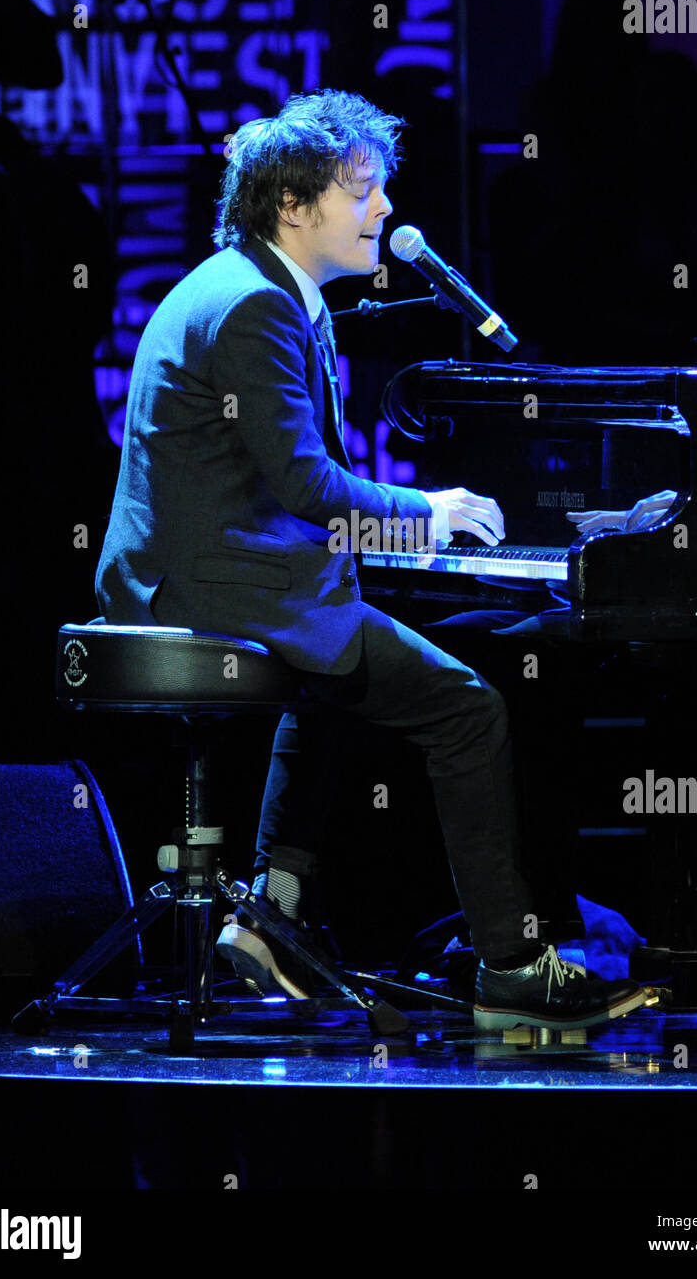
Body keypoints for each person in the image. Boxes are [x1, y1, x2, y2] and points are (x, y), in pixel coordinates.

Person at [94, 88, 646, 1030]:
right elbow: (312, 490)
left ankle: (272, 919)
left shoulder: (256, 288)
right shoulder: (252, 309)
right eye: (363, 192)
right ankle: (512, 966)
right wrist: (430, 515)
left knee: (352, 672)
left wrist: (404, 543)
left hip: (230, 569)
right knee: (467, 709)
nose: (385, 212)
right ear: (292, 206)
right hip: (221, 588)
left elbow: (288, 493)